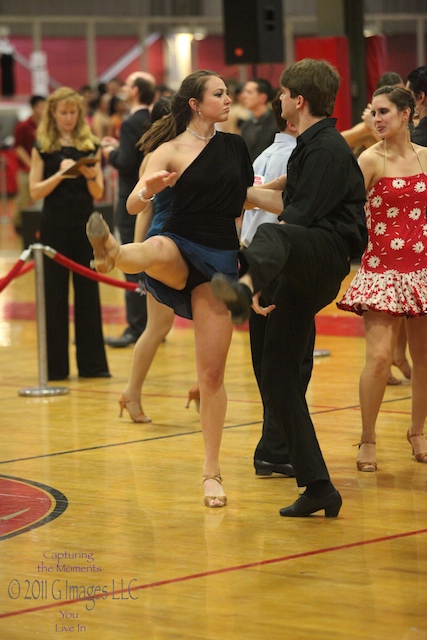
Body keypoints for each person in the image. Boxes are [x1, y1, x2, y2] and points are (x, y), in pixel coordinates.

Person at [86, 70, 254, 507]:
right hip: (179, 241)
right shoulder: (167, 150)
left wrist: (282, 194)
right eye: (218, 93)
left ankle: (211, 471)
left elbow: (242, 200)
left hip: (220, 257)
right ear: (196, 103)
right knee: (155, 249)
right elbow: (133, 201)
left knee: (212, 375)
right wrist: (148, 190)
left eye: (227, 93)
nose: (227, 98)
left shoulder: (235, 146)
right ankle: (111, 252)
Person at [211, 58, 367, 517]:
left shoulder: (325, 149)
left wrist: (261, 283)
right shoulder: (309, 146)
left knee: (272, 233)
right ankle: (319, 485)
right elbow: (279, 193)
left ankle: (243, 289)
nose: (278, 99)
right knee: (278, 377)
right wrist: (233, 189)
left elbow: (295, 220)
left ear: (297, 101)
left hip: (324, 255)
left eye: (281, 93)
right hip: (304, 259)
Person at [337, 86, 427, 471]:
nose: (377, 119)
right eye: (373, 112)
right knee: (378, 360)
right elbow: (338, 203)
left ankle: (418, 431)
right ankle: (368, 438)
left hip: (422, 269)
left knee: (423, 361)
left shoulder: (426, 158)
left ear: (407, 114)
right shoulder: (369, 160)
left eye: (385, 111)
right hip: (382, 270)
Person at [29, 86, 110, 381]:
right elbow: (34, 191)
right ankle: (55, 368)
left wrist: (89, 175)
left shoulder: (90, 144)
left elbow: (99, 191)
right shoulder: (43, 145)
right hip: (54, 225)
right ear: (53, 113)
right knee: (54, 295)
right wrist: (61, 174)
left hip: (84, 226)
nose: (68, 117)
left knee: (88, 294)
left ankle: (93, 365)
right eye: (63, 112)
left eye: (73, 112)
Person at [239, 92, 298, 478]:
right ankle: (276, 448)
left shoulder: (261, 157)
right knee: (285, 366)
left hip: (253, 261)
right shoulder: (297, 158)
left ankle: (273, 447)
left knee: (266, 364)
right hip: (275, 266)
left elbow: (244, 221)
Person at [119, 96, 175, 424]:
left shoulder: (188, 150)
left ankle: (132, 391)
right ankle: (132, 391)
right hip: (163, 242)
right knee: (157, 326)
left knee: (172, 323)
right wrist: (136, 250)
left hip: (190, 242)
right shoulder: (155, 157)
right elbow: (144, 209)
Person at [102, 72, 155, 348]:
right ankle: (155, 326)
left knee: (130, 260)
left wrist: (108, 153)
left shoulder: (131, 122)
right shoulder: (154, 119)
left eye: (126, 86)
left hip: (132, 199)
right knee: (152, 262)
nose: (123, 89)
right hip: (153, 198)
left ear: (135, 91)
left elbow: (125, 163)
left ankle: (136, 327)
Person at [13, 95, 46, 235]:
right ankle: (18, 225)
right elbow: (18, 148)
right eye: (40, 107)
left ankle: (38, 227)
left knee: (41, 200)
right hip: (26, 170)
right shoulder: (23, 126)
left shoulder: (47, 126)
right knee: (24, 200)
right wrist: (32, 164)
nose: (43, 109)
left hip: (43, 171)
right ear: (33, 108)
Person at [240, 78, 278, 162]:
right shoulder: (246, 125)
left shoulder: (277, 123)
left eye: (249, 92)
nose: (243, 96)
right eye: (244, 92)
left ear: (262, 97)